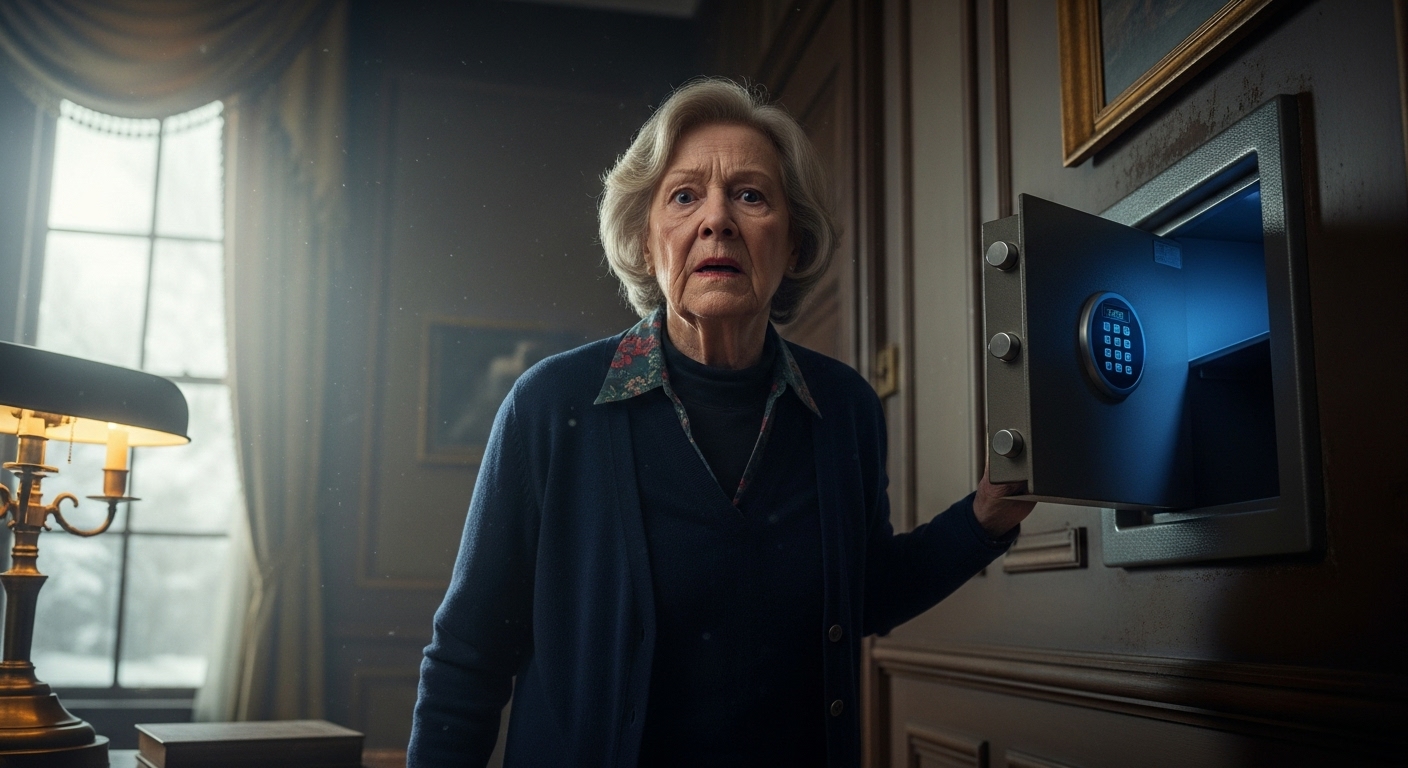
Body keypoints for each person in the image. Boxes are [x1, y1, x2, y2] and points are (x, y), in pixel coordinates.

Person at [408, 77, 1035, 768]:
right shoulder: (550, 405)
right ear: (647, 242)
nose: (717, 220)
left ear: (792, 244)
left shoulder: (843, 409)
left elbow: (859, 594)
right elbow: (468, 655)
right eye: (684, 196)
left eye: (750, 195)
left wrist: (981, 522)